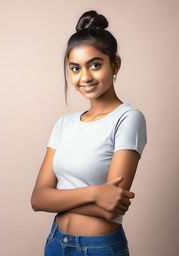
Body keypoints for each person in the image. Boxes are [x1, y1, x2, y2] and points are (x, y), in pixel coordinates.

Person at [31, 10, 147, 256]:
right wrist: (95, 192)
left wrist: (59, 198)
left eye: (95, 65)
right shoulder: (64, 124)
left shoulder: (127, 118)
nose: (85, 77)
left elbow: (112, 208)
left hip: (99, 248)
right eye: (75, 68)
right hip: (55, 243)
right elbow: (38, 199)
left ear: (115, 64)